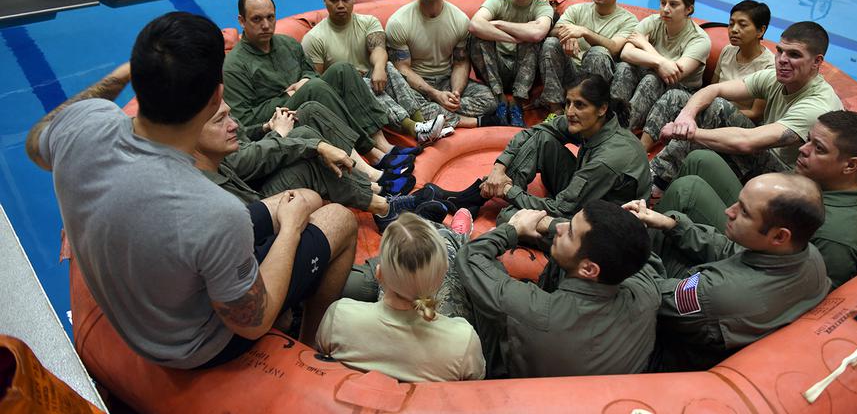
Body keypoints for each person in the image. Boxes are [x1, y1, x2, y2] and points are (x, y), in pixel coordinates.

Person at [25, 12, 357, 368]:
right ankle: (309, 345)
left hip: (144, 291)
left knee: (302, 199)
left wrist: (121, 75)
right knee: (338, 218)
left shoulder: (82, 126)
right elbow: (251, 322)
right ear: (217, 97)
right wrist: (290, 231)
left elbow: (35, 142)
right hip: (192, 345)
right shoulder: (211, 209)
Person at [624, 172, 830, 371]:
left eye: (744, 212)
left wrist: (632, 239)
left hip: (666, 356)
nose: (729, 211)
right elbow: (730, 251)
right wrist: (672, 225)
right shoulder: (807, 254)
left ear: (779, 236)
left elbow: (651, 296)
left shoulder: (719, 293)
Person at [656, 110, 857, 289]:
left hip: (765, 258)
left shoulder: (835, 239)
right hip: (775, 222)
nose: (803, 149)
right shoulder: (837, 181)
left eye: (818, 148)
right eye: (809, 140)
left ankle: (645, 258)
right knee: (702, 159)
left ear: (851, 165)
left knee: (687, 190)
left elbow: (794, 291)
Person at [454, 202, 660, 378]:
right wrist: (628, 226)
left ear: (589, 269)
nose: (560, 227)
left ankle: (453, 236)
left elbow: (470, 258)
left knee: (465, 271)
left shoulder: (535, 310)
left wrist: (512, 229)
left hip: (516, 384)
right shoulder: (646, 296)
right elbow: (646, 259)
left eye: (570, 232)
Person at [222, 0, 415, 166]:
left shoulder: (287, 44)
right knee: (314, 87)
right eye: (257, 19)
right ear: (241, 21)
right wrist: (290, 96)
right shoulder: (235, 65)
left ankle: (383, 144)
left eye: (270, 17)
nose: (265, 25)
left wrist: (304, 81)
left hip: (309, 97)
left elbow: (310, 72)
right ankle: (371, 153)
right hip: (278, 120)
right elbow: (244, 120)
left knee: (342, 70)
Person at [193, 100, 451, 231]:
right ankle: (382, 197)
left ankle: (378, 182)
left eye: (270, 17)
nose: (232, 123)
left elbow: (244, 130)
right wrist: (279, 134)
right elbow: (241, 161)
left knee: (312, 107)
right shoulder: (233, 70)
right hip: (256, 200)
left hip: (258, 158)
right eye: (221, 119)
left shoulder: (211, 100)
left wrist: (266, 126)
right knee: (307, 143)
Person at [650, 21, 844, 189]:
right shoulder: (775, 78)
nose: (782, 60)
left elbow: (746, 141)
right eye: (780, 51)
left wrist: (684, 132)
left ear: (816, 61)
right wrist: (686, 116)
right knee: (677, 97)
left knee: (718, 108)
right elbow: (714, 89)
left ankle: (655, 181)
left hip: (789, 180)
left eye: (794, 55)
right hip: (762, 155)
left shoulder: (817, 105)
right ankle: (644, 154)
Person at [316, 213, 485, 382]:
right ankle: (455, 239)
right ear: (441, 278)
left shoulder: (339, 316)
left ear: (379, 274)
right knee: (450, 247)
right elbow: (473, 387)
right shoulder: (463, 341)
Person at [302, 0, 448, 144]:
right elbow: (317, 83)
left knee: (387, 66)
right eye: (334, 0)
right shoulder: (314, 39)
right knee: (360, 83)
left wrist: (379, 68)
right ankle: (414, 128)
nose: (340, 5)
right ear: (324, 0)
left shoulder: (368, 22)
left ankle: (421, 123)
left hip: (375, 84)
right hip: (345, 99)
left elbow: (378, 48)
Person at [481, 74, 650, 221]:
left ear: (602, 109)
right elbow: (533, 132)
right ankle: (491, 189)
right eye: (568, 103)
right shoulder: (592, 123)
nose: (570, 111)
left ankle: (494, 193)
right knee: (543, 138)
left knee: (508, 218)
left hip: (604, 223)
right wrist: (498, 169)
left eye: (579, 105)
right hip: (588, 196)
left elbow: (561, 209)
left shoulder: (608, 159)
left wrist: (509, 191)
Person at [640, 0, 775, 152]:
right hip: (715, 108)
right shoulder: (728, 51)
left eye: (742, 25)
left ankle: (661, 165)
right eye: (731, 24)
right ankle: (642, 148)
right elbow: (711, 87)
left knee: (714, 108)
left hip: (742, 125)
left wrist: (709, 112)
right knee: (674, 95)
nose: (734, 30)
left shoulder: (769, 66)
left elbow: (756, 114)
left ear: (760, 31)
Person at [386, 0, 500, 128]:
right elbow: (402, 68)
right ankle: (472, 122)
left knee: (490, 100)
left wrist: (455, 94)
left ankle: (440, 114)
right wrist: (435, 94)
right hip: (417, 86)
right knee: (407, 104)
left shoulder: (459, 20)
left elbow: (461, 63)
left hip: (446, 80)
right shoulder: (399, 22)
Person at [610, 0, 711, 131]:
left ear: (689, 9)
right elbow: (626, 52)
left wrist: (645, 45)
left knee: (653, 79)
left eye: (673, 4)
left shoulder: (699, 40)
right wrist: (660, 63)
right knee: (625, 67)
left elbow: (674, 74)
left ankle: (622, 131)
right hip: (651, 75)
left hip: (680, 90)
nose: (665, 9)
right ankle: (609, 119)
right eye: (663, 3)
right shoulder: (653, 21)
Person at [469, 0, 554, 127]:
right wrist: (515, 36)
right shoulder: (499, 0)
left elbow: (538, 33)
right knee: (476, 37)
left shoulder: (542, 6)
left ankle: (517, 102)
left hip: (524, 72)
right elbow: (474, 25)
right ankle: (500, 99)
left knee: (534, 40)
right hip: (496, 70)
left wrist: (499, 23)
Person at [539, 0, 638, 114]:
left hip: (599, 82)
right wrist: (565, 35)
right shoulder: (577, 10)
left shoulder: (629, 20)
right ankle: (556, 112)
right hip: (571, 74)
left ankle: (588, 115)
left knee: (598, 52)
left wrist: (584, 32)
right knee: (551, 43)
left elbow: (614, 47)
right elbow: (553, 31)